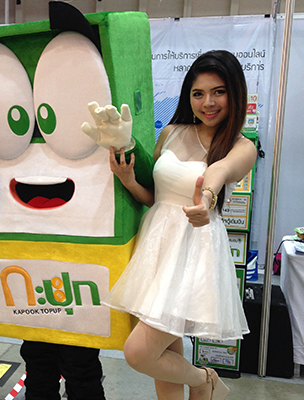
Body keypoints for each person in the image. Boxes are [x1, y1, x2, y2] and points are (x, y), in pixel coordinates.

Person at [101, 50, 257, 400]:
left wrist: (207, 199)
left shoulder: (241, 147)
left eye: (218, 92)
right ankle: (200, 385)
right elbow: (156, 198)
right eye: (198, 93)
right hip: (156, 246)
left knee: (139, 353)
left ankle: (203, 380)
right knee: (165, 354)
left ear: (235, 93)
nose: (208, 102)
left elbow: (218, 171)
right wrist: (128, 180)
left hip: (193, 249)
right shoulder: (171, 132)